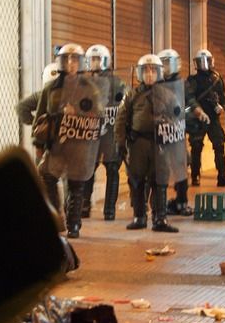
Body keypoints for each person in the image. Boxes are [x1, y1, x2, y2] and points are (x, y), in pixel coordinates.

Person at [34, 43, 104, 238]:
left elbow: (98, 115)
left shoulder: (90, 88)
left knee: (76, 184)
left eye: (75, 60)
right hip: (56, 143)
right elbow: (40, 115)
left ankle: (74, 224)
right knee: (48, 177)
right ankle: (56, 218)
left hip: (79, 144)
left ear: (81, 63)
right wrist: (39, 143)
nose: (71, 63)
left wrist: (78, 113)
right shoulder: (51, 88)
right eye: (67, 59)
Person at [115, 54, 179, 233]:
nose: (150, 74)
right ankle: (139, 216)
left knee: (160, 181)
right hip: (138, 144)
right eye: (146, 70)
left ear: (159, 73)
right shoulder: (131, 95)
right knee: (136, 181)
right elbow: (120, 120)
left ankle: (160, 219)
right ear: (140, 73)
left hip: (160, 144)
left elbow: (177, 118)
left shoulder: (168, 95)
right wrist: (120, 143)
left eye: (153, 70)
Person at [82, 45, 128, 220]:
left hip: (110, 131)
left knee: (112, 169)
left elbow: (125, 102)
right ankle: (84, 206)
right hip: (92, 133)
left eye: (96, 59)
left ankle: (109, 209)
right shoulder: (85, 83)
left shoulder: (117, 82)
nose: (93, 63)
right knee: (88, 170)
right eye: (91, 60)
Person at [186, 49, 225, 187]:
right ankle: (195, 176)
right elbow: (189, 99)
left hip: (213, 118)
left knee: (219, 145)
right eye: (200, 62)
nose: (204, 64)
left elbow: (223, 97)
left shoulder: (216, 78)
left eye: (206, 61)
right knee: (196, 146)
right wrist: (197, 112)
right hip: (199, 118)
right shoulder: (192, 80)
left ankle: (222, 176)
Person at [158, 49, 193, 217]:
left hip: (177, 132)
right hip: (161, 132)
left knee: (180, 165)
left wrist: (185, 115)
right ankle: (161, 202)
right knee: (161, 168)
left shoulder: (183, 83)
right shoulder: (156, 83)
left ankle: (182, 200)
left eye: (168, 63)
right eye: (163, 63)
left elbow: (189, 103)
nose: (165, 67)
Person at [16, 63, 59, 127]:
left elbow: (20, 107)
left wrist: (36, 123)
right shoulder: (71, 95)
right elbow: (20, 107)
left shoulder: (41, 95)